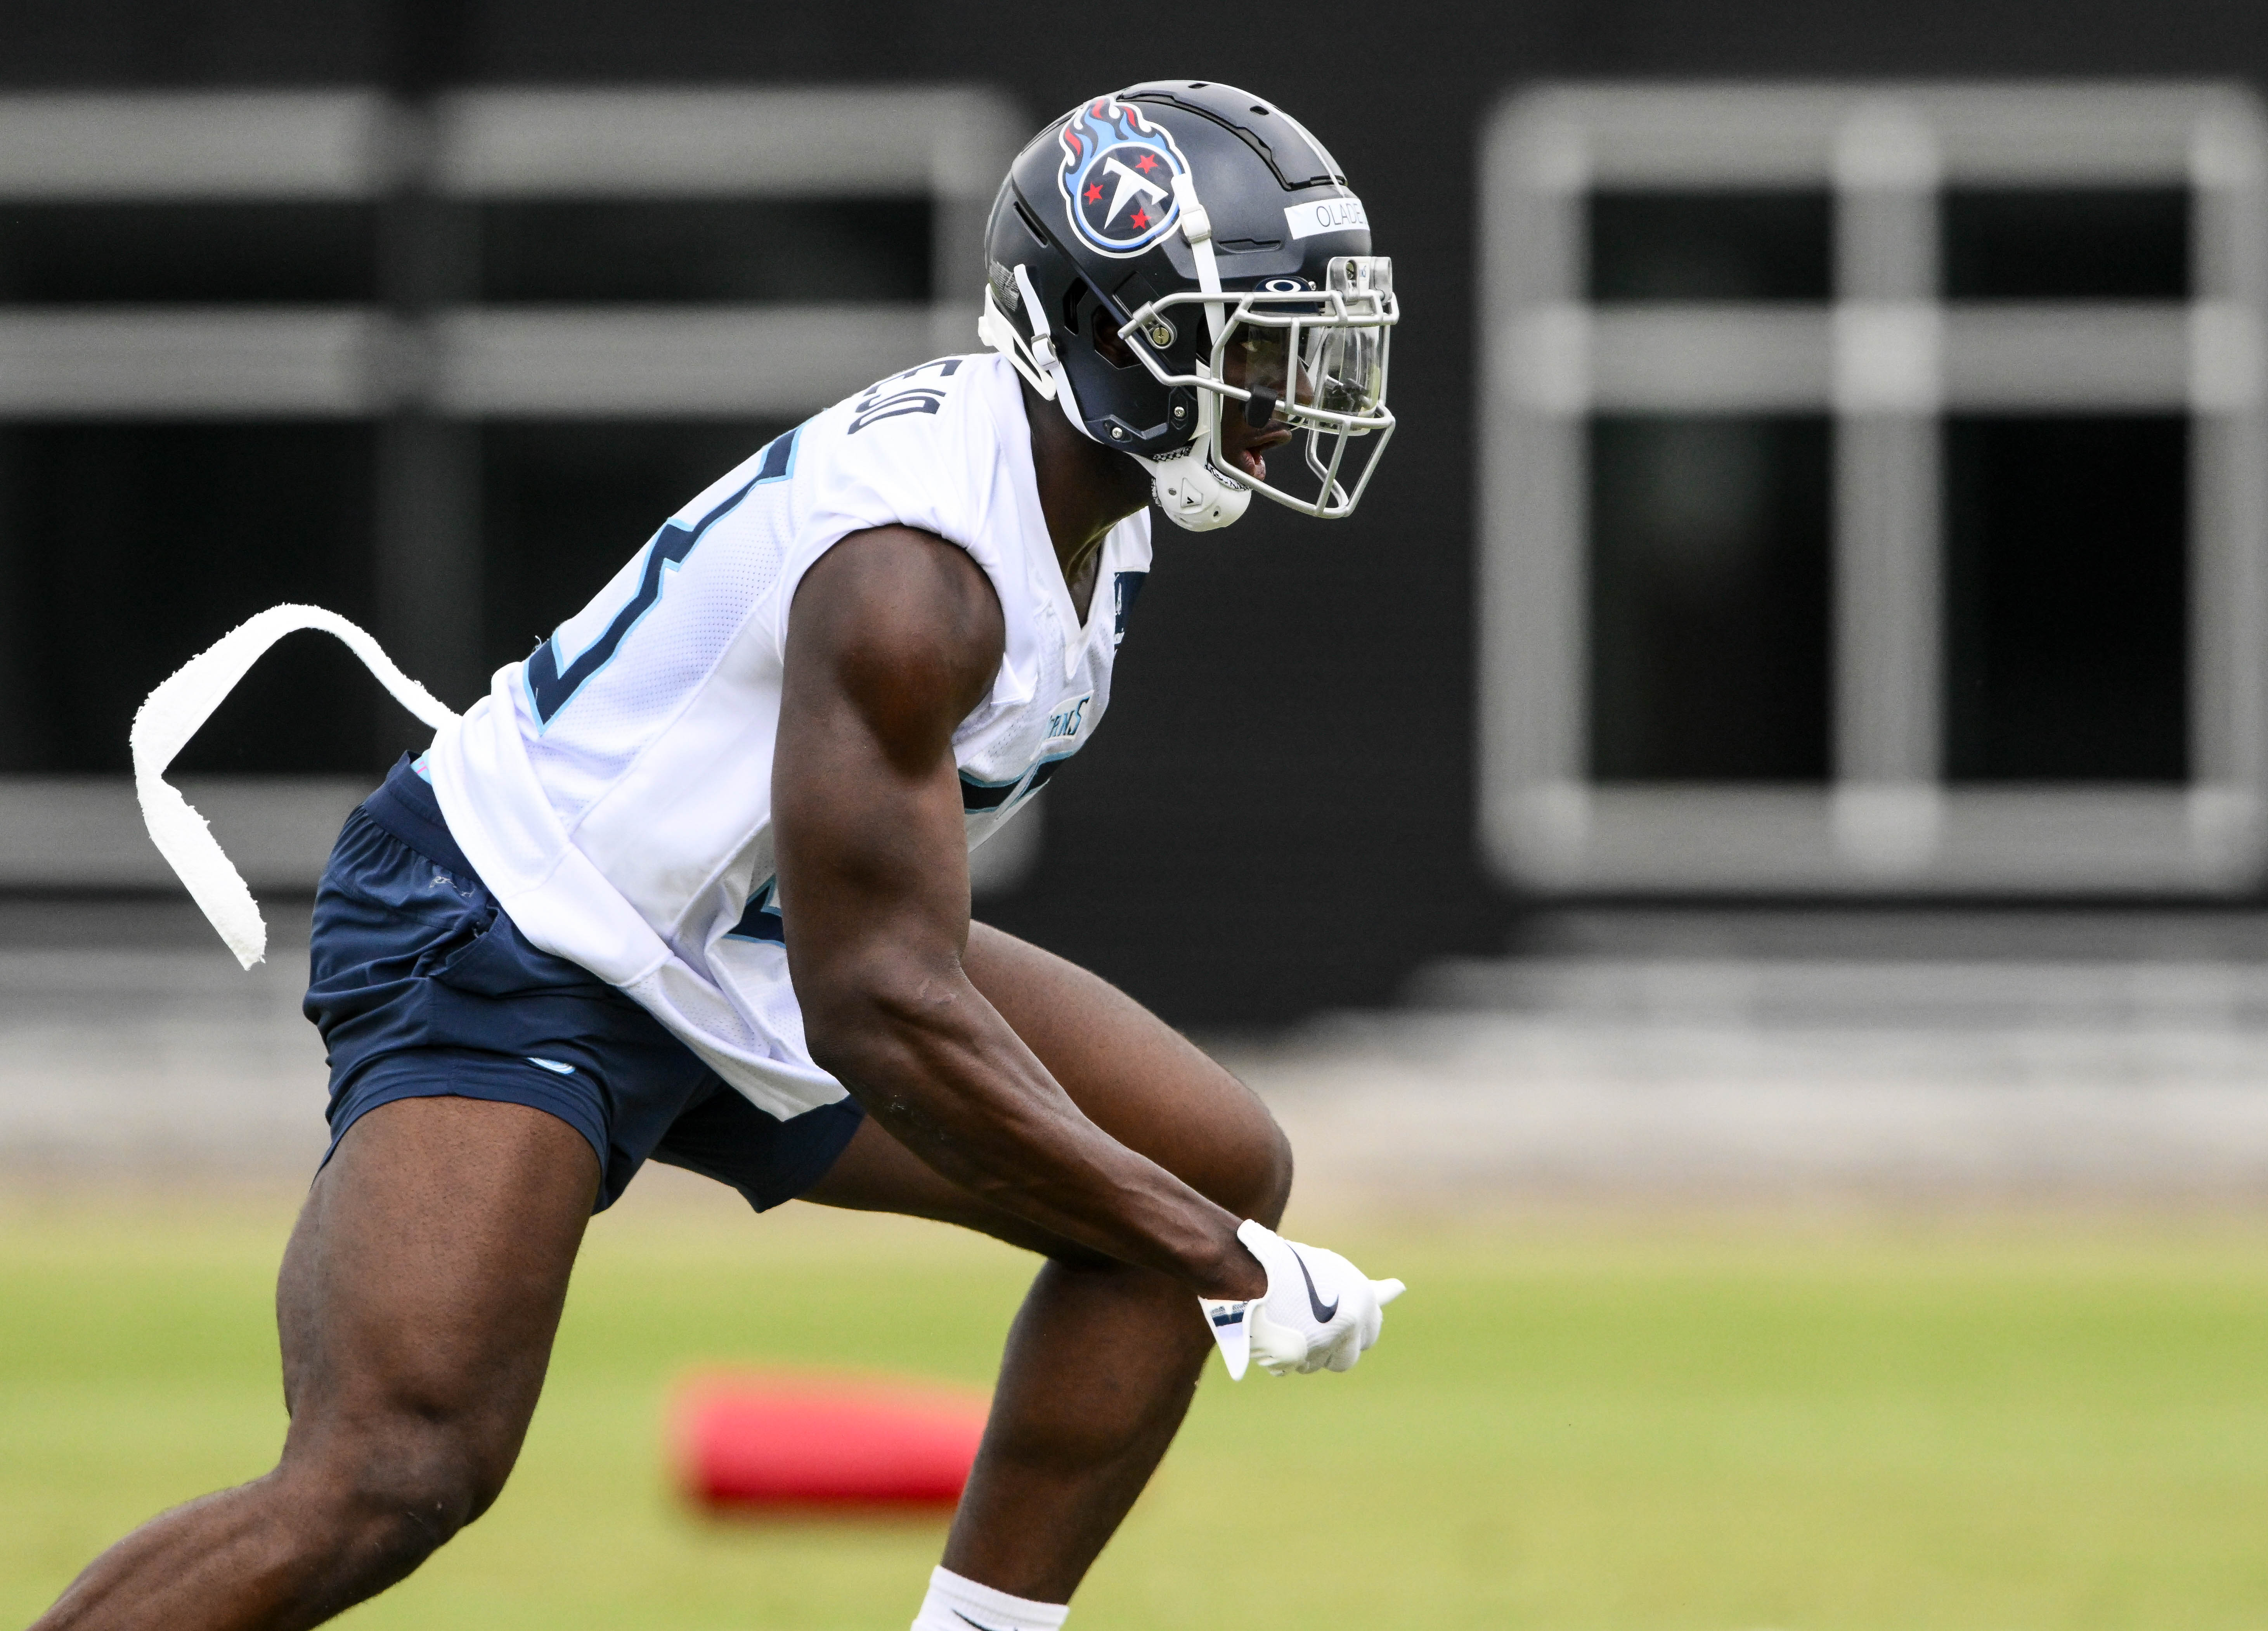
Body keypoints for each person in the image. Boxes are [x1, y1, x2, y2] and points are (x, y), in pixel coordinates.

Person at [36, 80, 1403, 1631]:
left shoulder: (1102, 504)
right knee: (396, 1469)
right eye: (1254, 340)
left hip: (738, 928)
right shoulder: (915, 576)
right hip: (514, 924)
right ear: (1111, 340)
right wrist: (1212, 1255)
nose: (1298, 383)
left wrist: (1195, 1226)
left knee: (1205, 1158)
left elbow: (865, 962)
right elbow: (879, 1007)